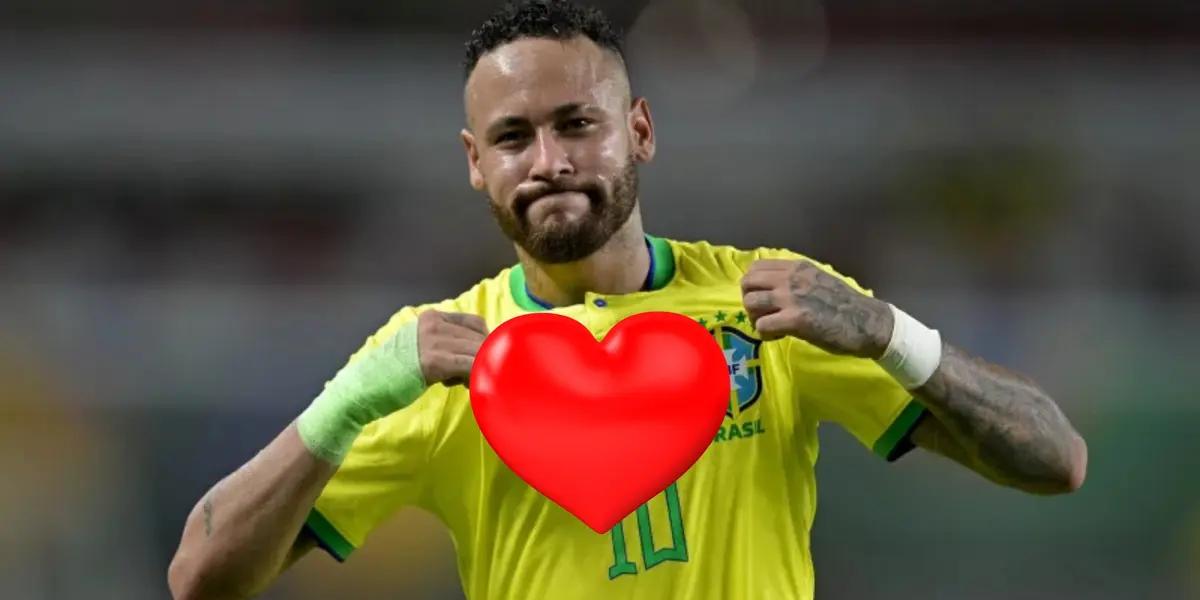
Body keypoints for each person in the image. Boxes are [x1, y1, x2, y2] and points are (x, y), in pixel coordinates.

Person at [167, 1, 1088, 598]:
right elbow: (200, 578)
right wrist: (348, 402)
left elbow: (1056, 460)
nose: (550, 162)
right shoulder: (440, 360)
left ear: (639, 131)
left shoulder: (770, 304)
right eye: (513, 138)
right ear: (474, 163)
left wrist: (891, 335)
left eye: (578, 124)